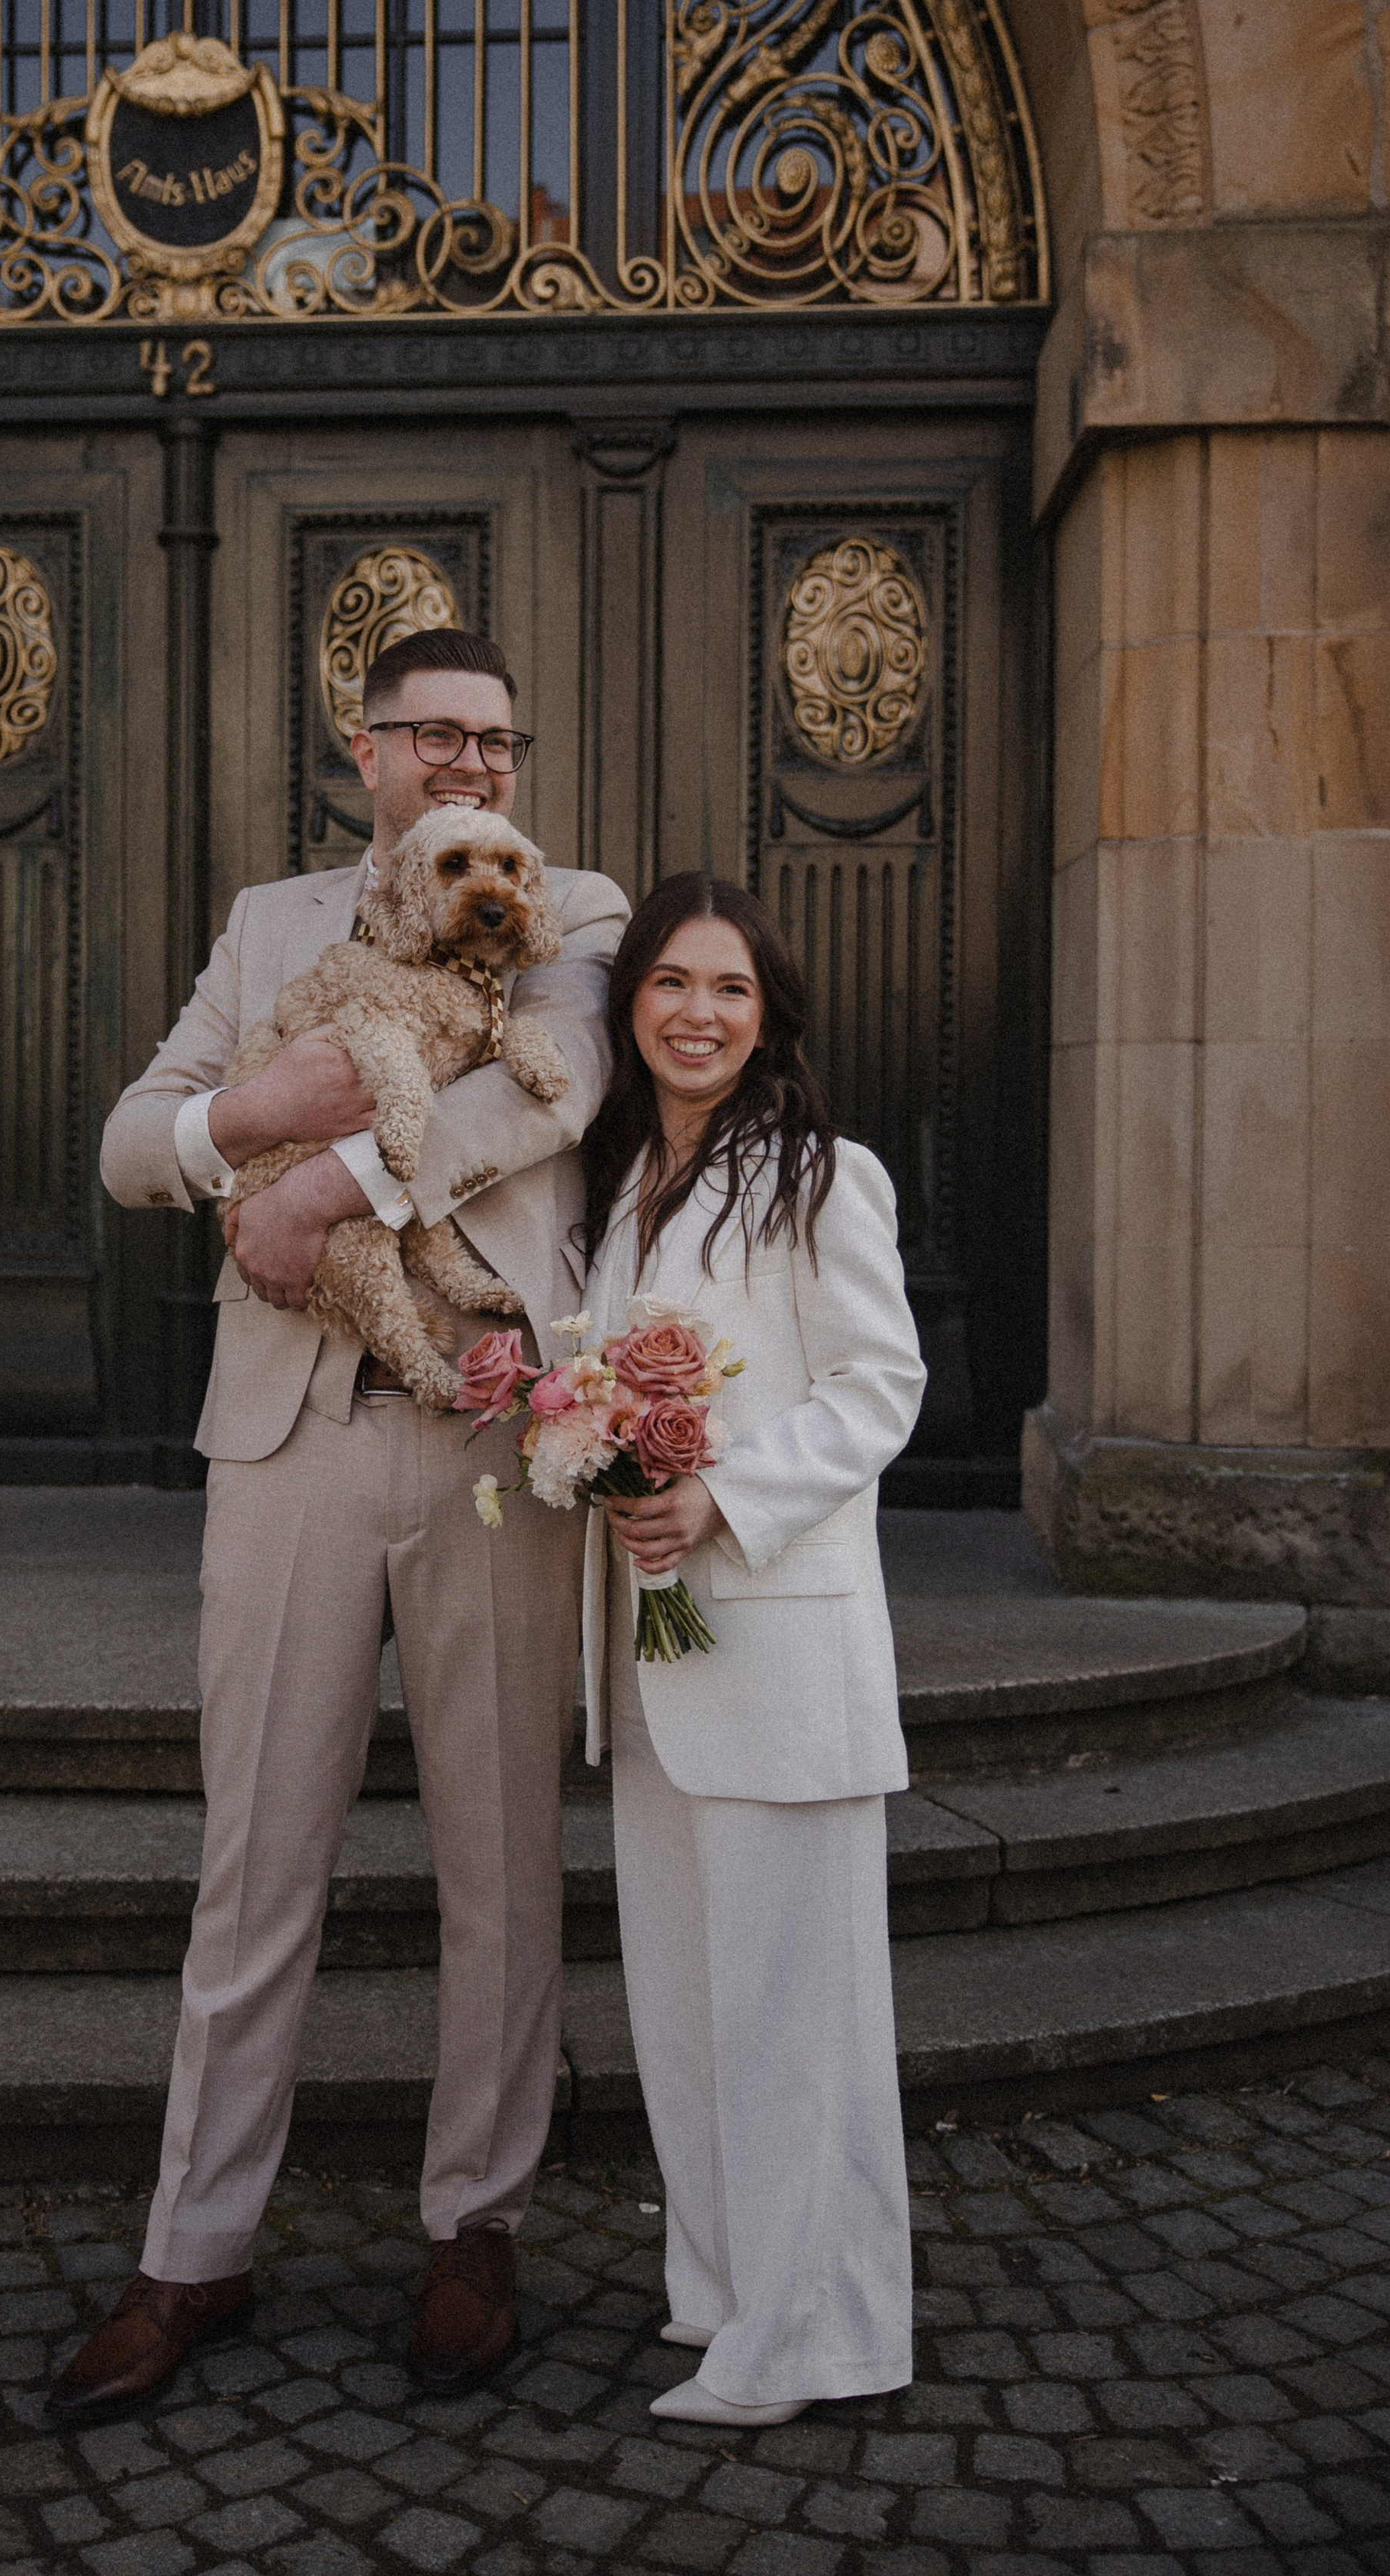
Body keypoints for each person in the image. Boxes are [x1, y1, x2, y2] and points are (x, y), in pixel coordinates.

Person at [50, 629, 628, 2420]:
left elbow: (542, 1102)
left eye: (497, 743)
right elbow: (132, 1145)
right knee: (256, 1862)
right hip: (286, 1438)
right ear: (363, 752)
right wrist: (252, 1118)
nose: (473, 769)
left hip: (491, 1435)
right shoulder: (264, 925)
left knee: (497, 1861)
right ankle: (192, 2255)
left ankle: (477, 2227)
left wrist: (323, 1182)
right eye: (438, 738)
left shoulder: (576, 909)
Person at [578, 872, 925, 2426]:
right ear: (630, 1003)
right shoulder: (625, 1183)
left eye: (726, 987)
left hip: (776, 1649)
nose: (695, 1012)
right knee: (686, 2006)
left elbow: (876, 1388)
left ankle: (810, 2340)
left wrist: (719, 1497)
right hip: (652, 1665)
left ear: (768, 1010)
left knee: (796, 2021)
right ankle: (718, 2295)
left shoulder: (817, 1173)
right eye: (667, 982)